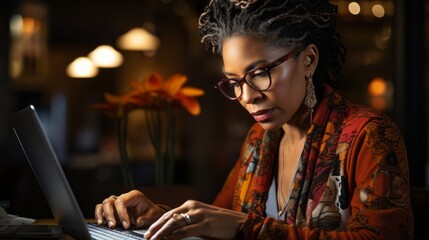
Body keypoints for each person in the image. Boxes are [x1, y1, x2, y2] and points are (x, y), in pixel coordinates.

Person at [95, 0, 414, 239]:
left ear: (308, 60)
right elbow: (221, 222)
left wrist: (245, 228)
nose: (246, 96)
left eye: (259, 74)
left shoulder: (369, 136)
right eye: (234, 82)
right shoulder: (259, 142)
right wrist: (160, 218)